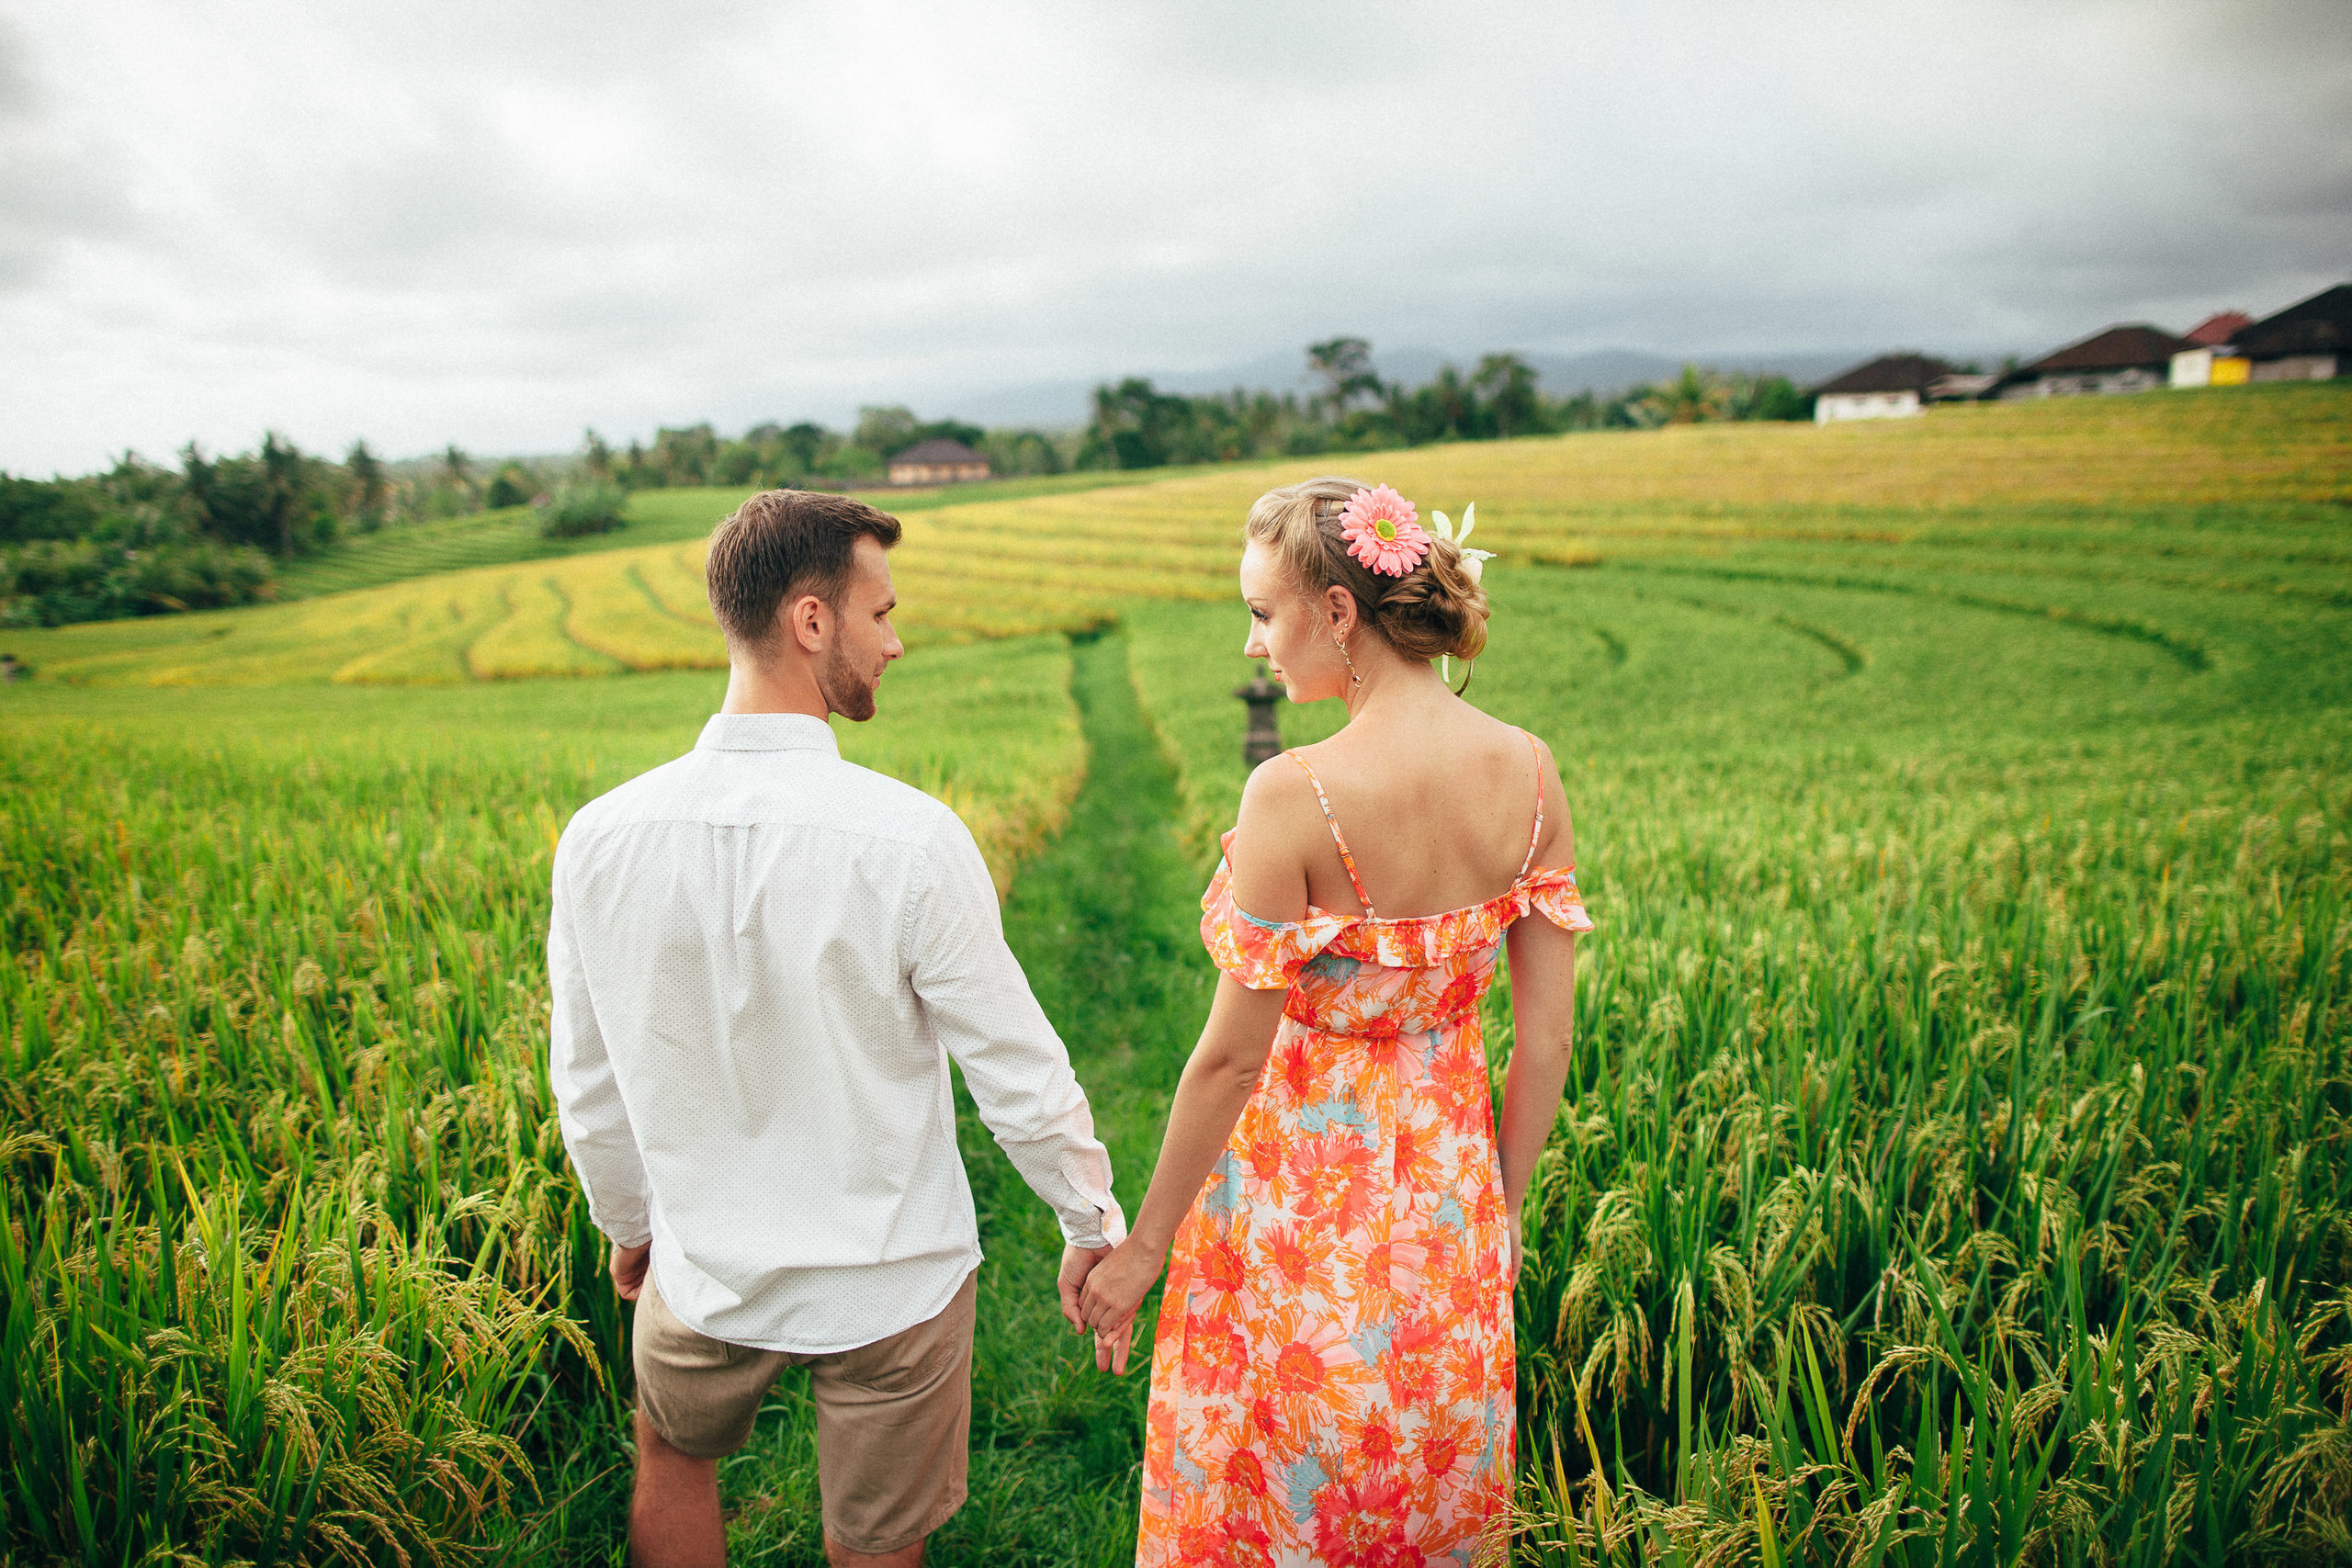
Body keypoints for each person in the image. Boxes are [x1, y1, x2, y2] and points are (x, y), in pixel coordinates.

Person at [549, 489, 1126, 1568]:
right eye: (881, 613)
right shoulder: (909, 839)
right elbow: (1012, 1065)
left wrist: (629, 1224)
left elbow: (588, 1079)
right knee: (874, 1542)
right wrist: (1088, 1221)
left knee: (671, 1460)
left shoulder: (598, 838)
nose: (895, 641)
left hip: (702, 1263)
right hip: (889, 1278)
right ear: (811, 622)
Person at [1079, 476, 1590, 1565]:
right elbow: (1544, 1041)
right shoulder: (1531, 770)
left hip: (1293, 1205)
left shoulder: (1294, 794)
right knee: (1423, 1495)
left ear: (1339, 613)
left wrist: (1144, 1250)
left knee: (1283, 1497)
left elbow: (1227, 1061)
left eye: (1264, 612)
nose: (1255, 642)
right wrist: (1490, 1216)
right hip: (1453, 1199)